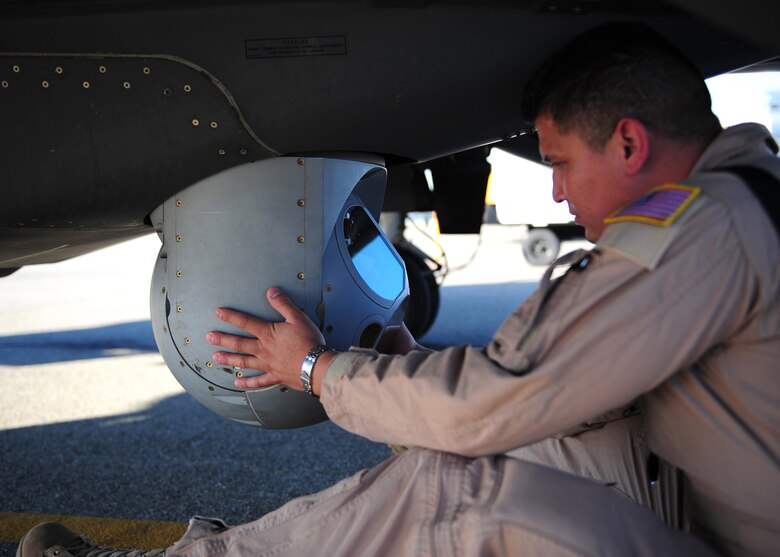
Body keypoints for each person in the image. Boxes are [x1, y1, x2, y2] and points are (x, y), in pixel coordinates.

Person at [19, 22, 779, 557]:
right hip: (709, 512)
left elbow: (508, 392)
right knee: (484, 445)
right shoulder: (746, 197)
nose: (554, 194)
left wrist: (318, 370)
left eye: (560, 163)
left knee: (452, 491)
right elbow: (578, 393)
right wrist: (411, 383)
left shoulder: (698, 228)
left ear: (629, 142)